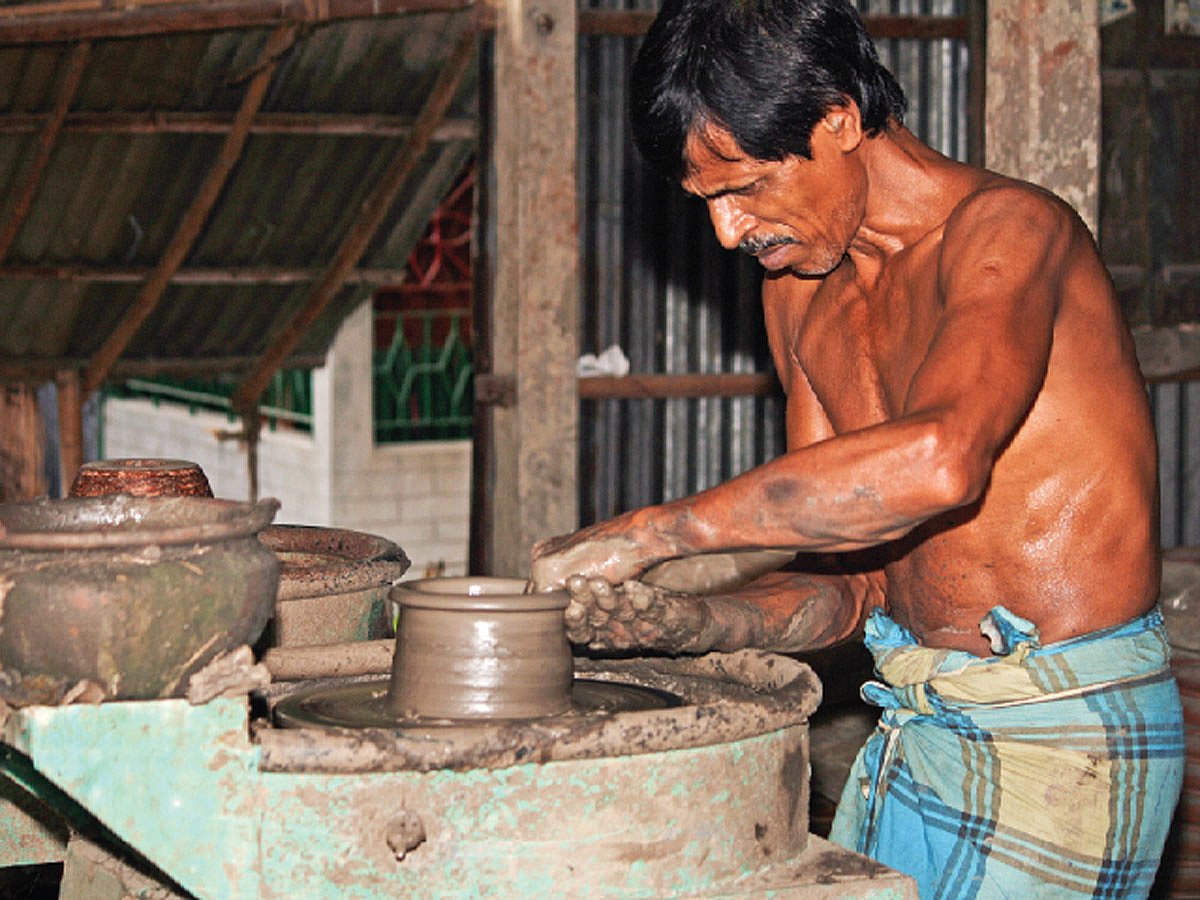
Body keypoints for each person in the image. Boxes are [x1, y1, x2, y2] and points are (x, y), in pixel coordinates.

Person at [528, 0, 1185, 896]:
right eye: (706, 202)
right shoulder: (798, 292)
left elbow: (942, 462)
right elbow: (849, 578)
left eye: (745, 186)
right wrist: (696, 623)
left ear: (839, 116)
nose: (728, 232)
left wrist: (656, 533)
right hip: (915, 722)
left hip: (1062, 732)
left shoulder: (1012, 236)